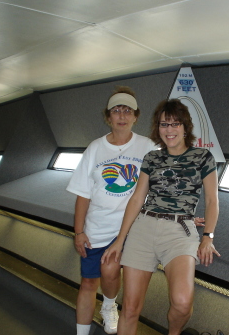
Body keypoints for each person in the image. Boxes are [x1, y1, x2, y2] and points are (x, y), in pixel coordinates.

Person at [101, 99, 220, 335]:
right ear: (158, 128)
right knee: (131, 308)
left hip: (180, 231)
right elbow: (137, 199)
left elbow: (212, 201)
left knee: (182, 302)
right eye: (164, 125)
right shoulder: (152, 159)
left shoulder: (203, 157)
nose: (169, 130)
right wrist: (120, 239)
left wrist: (208, 236)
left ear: (185, 127)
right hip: (144, 226)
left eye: (175, 124)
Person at [66, 87, 157, 335]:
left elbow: (163, 183)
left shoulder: (147, 147)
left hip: (133, 229)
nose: (122, 115)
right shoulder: (95, 148)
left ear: (136, 116)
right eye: (116, 110)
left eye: (127, 110)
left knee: (113, 270)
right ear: (108, 117)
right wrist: (78, 232)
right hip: (98, 227)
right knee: (88, 282)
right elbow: (83, 195)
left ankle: (108, 306)